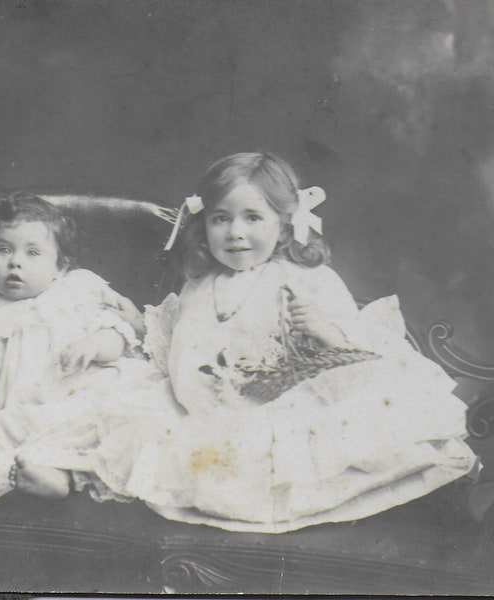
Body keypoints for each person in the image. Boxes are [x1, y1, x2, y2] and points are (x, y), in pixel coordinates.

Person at [45, 151, 476, 533]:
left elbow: (352, 356)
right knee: (135, 419)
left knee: (321, 431)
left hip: (282, 400)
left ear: (284, 223)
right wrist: (154, 340)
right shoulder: (198, 286)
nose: (235, 232)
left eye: (253, 218)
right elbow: (179, 349)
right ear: (205, 223)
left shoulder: (304, 279)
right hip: (211, 406)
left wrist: (323, 330)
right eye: (221, 218)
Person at [0, 192, 162, 501]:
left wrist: (96, 344)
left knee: (102, 428)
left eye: (32, 253)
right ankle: (45, 473)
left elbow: (119, 332)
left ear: (60, 266)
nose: (15, 262)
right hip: (3, 409)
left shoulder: (77, 288)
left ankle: (61, 475)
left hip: (65, 399)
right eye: (3, 250)